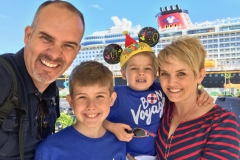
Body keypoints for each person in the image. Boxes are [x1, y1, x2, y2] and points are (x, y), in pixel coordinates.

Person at [103, 29, 213, 160]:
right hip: (126, 155)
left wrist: (200, 90)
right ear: (123, 73)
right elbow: (96, 118)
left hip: (155, 155)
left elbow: (183, 90)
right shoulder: (116, 94)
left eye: (147, 68)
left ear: (155, 72)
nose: (141, 73)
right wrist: (112, 127)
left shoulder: (160, 89)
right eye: (134, 68)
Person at [0, 1, 85, 159]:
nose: (54, 54)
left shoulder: (52, 94)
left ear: (77, 51)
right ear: (28, 36)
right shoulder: (4, 77)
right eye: (46, 38)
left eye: (68, 45)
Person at [155, 36, 240, 160]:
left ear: (200, 75)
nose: (171, 82)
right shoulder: (162, 107)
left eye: (181, 74)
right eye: (164, 74)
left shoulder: (222, 122)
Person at [35, 61, 126, 160]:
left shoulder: (120, 142)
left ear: (111, 99)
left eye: (99, 96)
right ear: (71, 101)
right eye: (82, 97)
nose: (91, 106)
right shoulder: (49, 150)